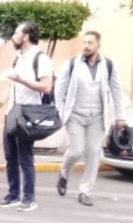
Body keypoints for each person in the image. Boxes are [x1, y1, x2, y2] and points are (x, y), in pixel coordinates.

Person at [54, 31, 127, 207]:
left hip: (97, 117)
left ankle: (85, 191)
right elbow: (59, 90)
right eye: (84, 42)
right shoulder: (71, 64)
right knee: (77, 150)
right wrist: (58, 112)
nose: (86, 45)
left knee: (94, 153)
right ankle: (64, 173)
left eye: (90, 42)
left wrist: (120, 117)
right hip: (75, 115)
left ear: (98, 45)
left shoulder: (108, 65)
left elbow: (116, 91)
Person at [0, 21, 54, 213]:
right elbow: (10, 85)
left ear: (26, 36)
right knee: (10, 157)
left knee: (25, 157)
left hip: (28, 114)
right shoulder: (16, 58)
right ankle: (13, 195)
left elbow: (46, 86)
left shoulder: (41, 58)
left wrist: (22, 79)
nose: (13, 36)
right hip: (12, 113)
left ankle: (29, 198)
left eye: (17, 32)